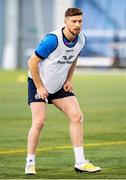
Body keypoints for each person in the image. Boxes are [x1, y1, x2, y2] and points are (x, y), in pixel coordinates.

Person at [25, 7, 101, 175]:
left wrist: (68, 80)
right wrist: (39, 87)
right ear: (65, 22)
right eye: (74, 21)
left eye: (80, 21)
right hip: (39, 83)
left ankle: (80, 162)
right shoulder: (53, 40)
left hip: (59, 85)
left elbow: (73, 59)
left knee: (77, 116)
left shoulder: (81, 40)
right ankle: (30, 162)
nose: (77, 24)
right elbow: (32, 62)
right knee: (39, 122)